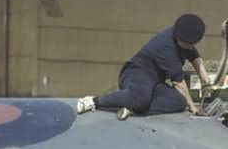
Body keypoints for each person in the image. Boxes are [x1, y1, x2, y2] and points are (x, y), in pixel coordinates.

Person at [77, 13, 212, 120]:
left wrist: (204, 77)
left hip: (155, 82)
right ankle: (95, 101)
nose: (190, 47)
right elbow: (179, 82)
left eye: (192, 44)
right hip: (136, 73)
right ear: (179, 37)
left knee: (179, 102)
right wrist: (193, 107)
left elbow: (194, 56)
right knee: (142, 98)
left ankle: (132, 108)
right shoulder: (166, 46)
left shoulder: (183, 39)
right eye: (188, 44)